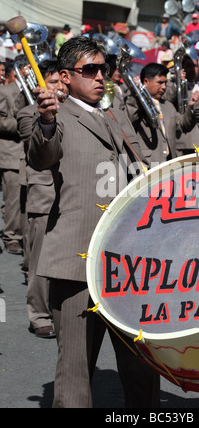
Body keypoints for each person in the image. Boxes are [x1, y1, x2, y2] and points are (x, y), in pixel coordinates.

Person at [26, 36, 160, 408]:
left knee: (141, 362)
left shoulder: (113, 114)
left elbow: (138, 168)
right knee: (75, 368)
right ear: (66, 77)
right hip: (77, 259)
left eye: (105, 68)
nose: (101, 76)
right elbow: (41, 154)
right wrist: (48, 119)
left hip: (127, 259)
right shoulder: (57, 114)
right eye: (90, 70)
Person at [17, 60, 66, 338]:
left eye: (61, 81)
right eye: (52, 82)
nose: (58, 87)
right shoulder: (27, 113)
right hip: (44, 192)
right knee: (39, 261)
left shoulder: (73, 111)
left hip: (68, 193)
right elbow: (33, 142)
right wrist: (47, 114)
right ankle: (39, 315)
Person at [123, 62, 198, 164]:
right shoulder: (135, 103)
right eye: (160, 82)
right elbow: (129, 120)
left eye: (165, 83)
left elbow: (183, 125)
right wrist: (134, 96)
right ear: (146, 82)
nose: (164, 87)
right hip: (148, 164)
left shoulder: (168, 106)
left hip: (169, 163)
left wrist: (192, 108)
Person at [0, 62, 27, 254]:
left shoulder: (34, 89)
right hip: (11, 152)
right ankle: (11, 236)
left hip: (28, 153)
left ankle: (23, 233)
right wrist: (23, 125)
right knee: (13, 200)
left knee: (25, 199)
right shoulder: (6, 91)